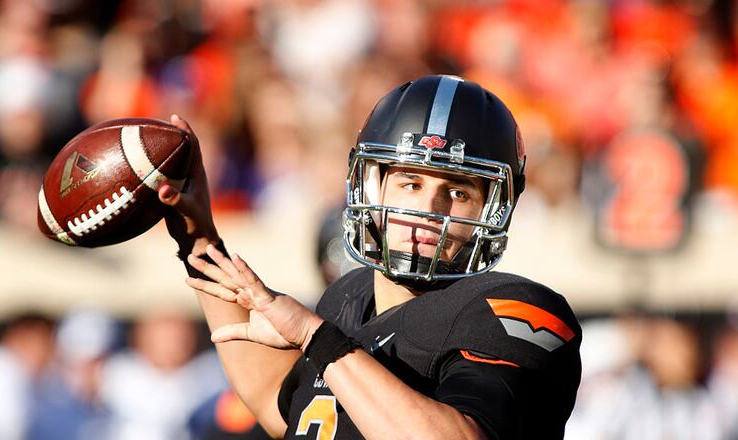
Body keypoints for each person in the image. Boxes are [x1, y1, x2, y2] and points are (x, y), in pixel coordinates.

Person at [158, 75, 582, 439]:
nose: (428, 211)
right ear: (371, 186)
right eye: (410, 184)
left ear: (492, 209)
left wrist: (317, 339)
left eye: (456, 192)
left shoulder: (515, 310)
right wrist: (197, 237)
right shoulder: (349, 297)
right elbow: (281, 407)